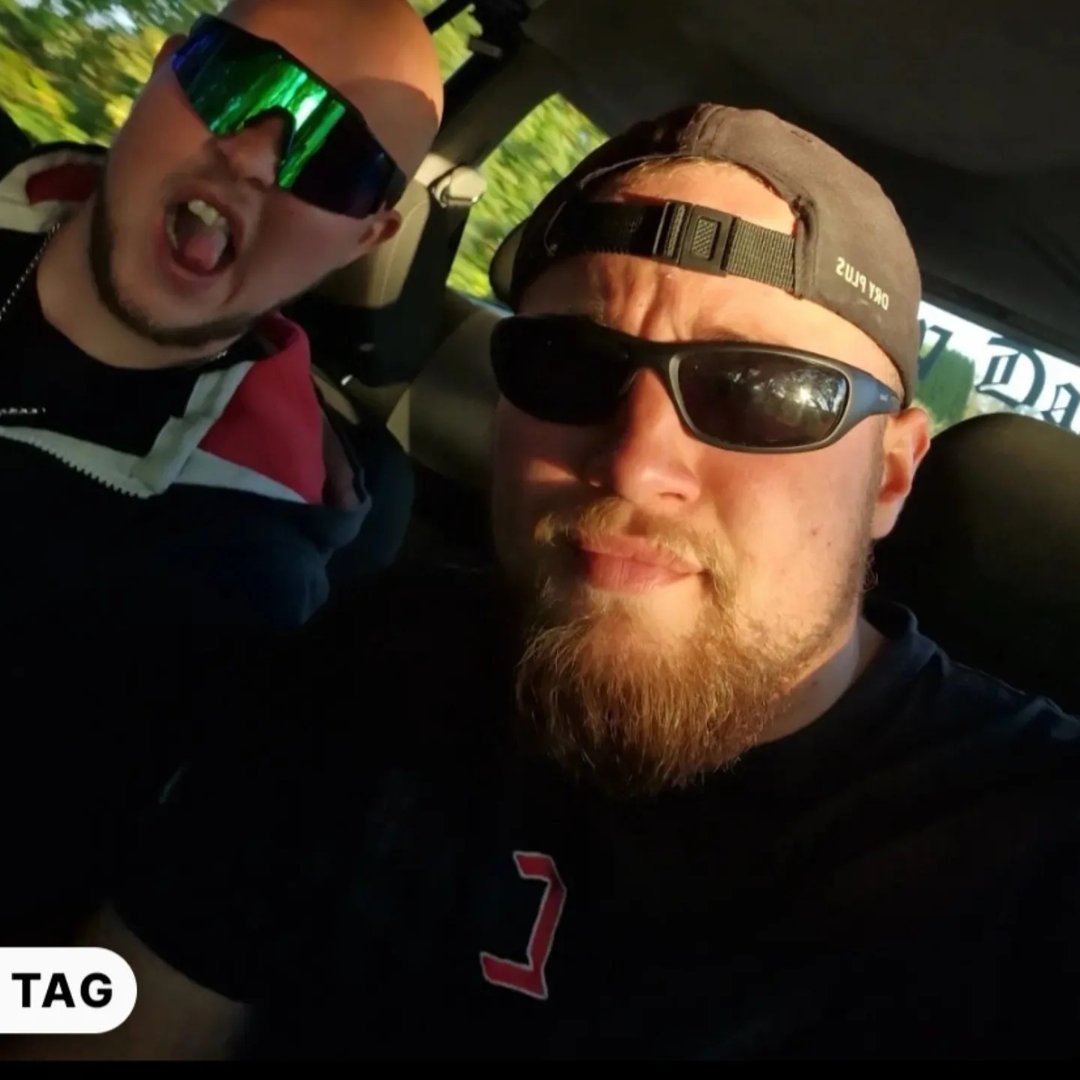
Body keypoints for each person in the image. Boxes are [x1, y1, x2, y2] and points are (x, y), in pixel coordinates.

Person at [17, 104, 1080, 1060]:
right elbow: (116, 995)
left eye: (759, 392)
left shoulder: (1029, 855)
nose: (634, 462)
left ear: (890, 473)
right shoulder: (374, 668)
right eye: (569, 366)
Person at [0, 0, 441, 944]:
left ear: (365, 238)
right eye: (236, 81)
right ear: (163, 67)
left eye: (339, 160)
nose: (253, 159)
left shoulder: (229, 584)